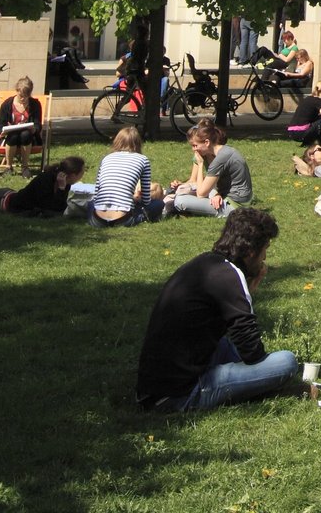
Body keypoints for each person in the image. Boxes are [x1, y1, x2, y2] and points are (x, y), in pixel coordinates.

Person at [135, 208, 302, 412]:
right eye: (265, 249)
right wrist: (249, 291)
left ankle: (251, 384)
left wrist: (247, 292)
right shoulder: (230, 276)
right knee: (286, 362)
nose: (265, 257)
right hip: (180, 394)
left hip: (153, 388)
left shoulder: (205, 263)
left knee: (223, 343)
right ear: (250, 251)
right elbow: (252, 352)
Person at [152, 122, 253, 218]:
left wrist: (200, 165)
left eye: (195, 146)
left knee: (180, 200)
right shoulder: (217, 153)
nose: (193, 149)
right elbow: (203, 183)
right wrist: (214, 194)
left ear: (207, 142)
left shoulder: (222, 157)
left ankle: (167, 206)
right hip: (223, 197)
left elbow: (201, 193)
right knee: (184, 189)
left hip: (235, 206)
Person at [90, 127, 155, 227]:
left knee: (90, 204)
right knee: (158, 204)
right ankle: (141, 218)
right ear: (138, 143)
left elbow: (96, 194)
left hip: (97, 220)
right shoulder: (143, 160)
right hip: (123, 219)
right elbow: (146, 201)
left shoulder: (106, 158)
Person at [0, 78, 44, 167]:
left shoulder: (35, 104)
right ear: (16, 90)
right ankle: (8, 167)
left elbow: (37, 124)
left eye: (26, 96)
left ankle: (25, 167)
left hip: (29, 138)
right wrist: (3, 130)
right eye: (21, 95)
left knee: (25, 134)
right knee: (13, 135)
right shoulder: (7, 104)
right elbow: (0, 125)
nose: (23, 98)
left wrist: (34, 129)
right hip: (9, 137)